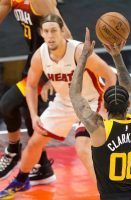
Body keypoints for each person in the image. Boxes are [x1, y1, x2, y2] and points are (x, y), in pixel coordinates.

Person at [0, 14, 116, 199]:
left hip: (92, 101)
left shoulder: (79, 51)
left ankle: (108, 193)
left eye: (54, 30)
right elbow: (30, 85)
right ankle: (21, 181)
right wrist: (34, 115)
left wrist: (106, 108)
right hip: (64, 102)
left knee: (82, 146)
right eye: (46, 31)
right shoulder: (40, 55)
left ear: (62, 32)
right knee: (35, 141)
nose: (50, 35)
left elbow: (110, 75)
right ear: (41, 33)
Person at [0, 0, 72, 184]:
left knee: (7, 104)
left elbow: (67, 36)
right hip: (34, 59)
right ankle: (42, 167)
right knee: (29, 113)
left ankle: (13, 151)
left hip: (49, 63)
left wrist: (54, 75)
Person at [69, 29, 131, 200]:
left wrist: (83, 58)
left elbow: (75, 94)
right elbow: (130, 89)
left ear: (105, 107)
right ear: (128, 106)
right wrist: (117, 56)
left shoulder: (99, 129)